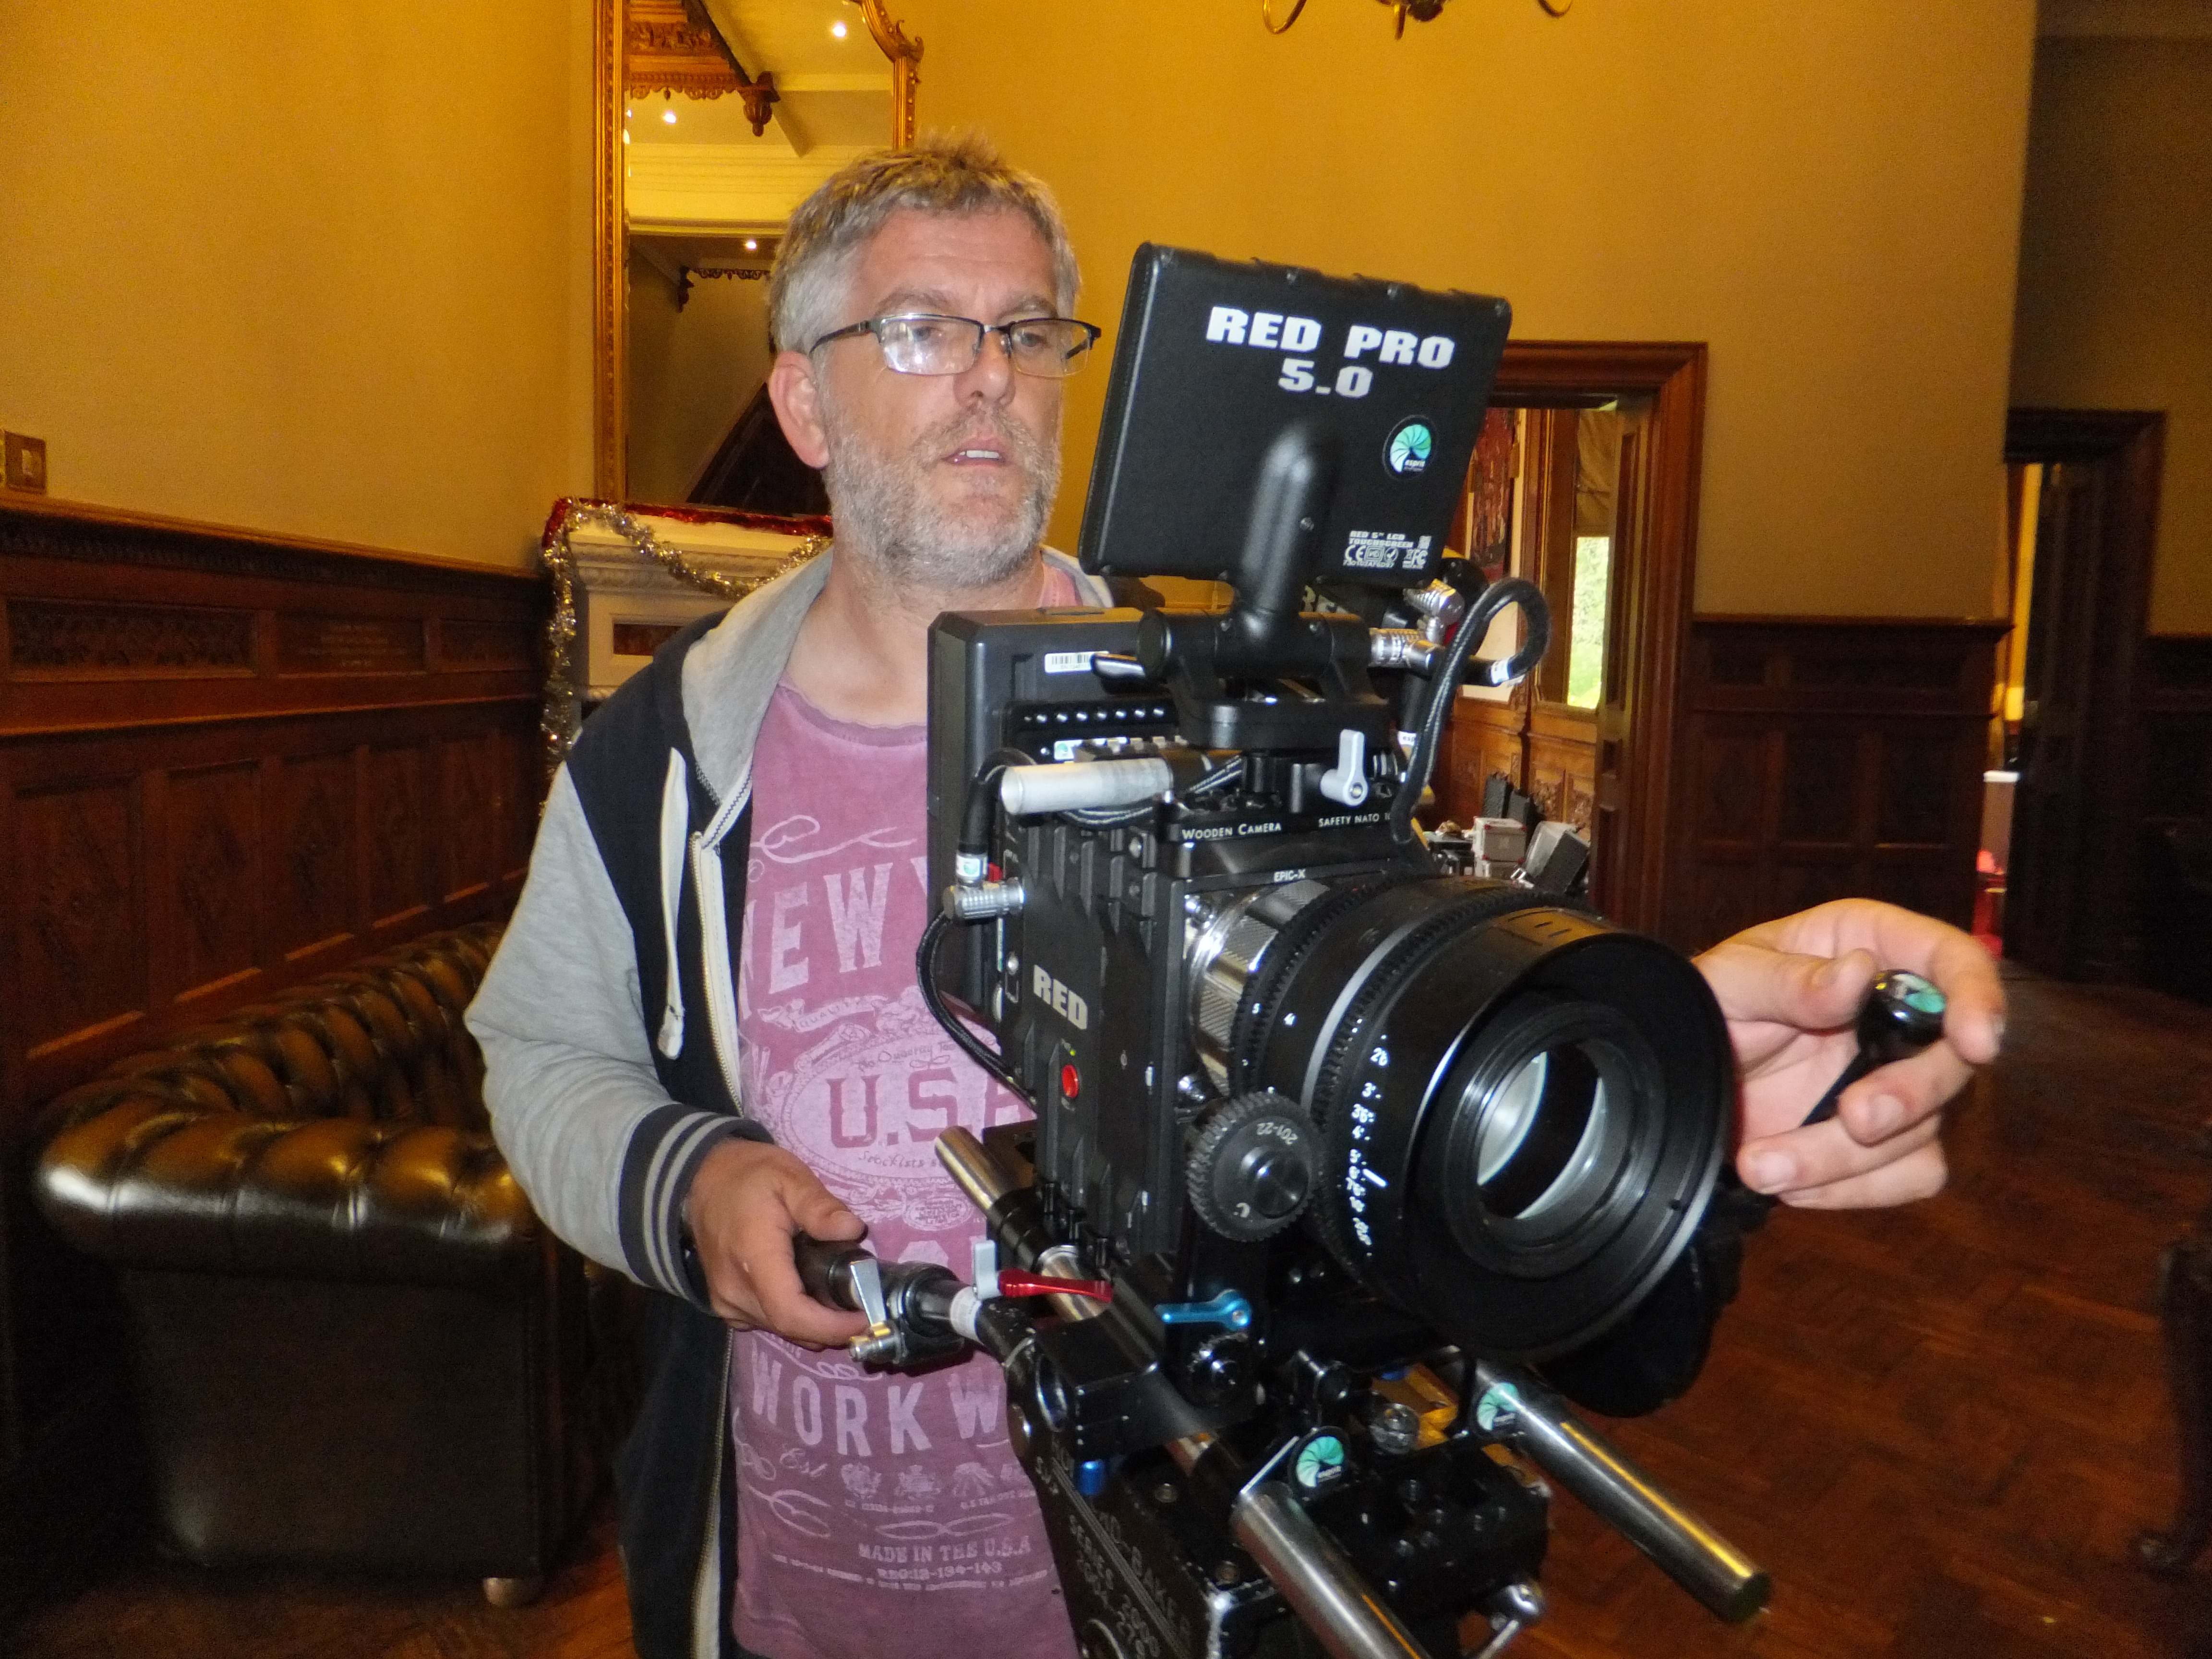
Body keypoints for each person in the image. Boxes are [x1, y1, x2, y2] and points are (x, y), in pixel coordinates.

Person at [467, 135, 2006, 1659]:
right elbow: (537, 1052)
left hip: (1173, 1585)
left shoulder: (1257, 731)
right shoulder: (658, 759)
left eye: (1026, 332)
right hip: (796, 1594)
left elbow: (1403, 1117)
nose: (989, 375)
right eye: (924, 329)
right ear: (804, 399)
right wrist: (686, 1183)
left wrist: (1674, 1121)